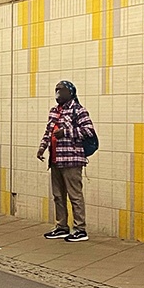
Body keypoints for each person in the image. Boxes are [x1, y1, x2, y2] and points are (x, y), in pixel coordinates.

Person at [36, 80, 96, 242]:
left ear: (70, 92)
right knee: (58, 195)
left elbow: (88, 131)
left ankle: (80, 229)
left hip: (72, 159)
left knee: (75, 196)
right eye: (56, 90)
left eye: (61, 90)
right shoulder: (54, 111)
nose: (58, 93)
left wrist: (66, 132)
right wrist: (42, 147)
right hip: (55, 159)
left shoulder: (79, 110)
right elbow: (48, 131)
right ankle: (61, 226)